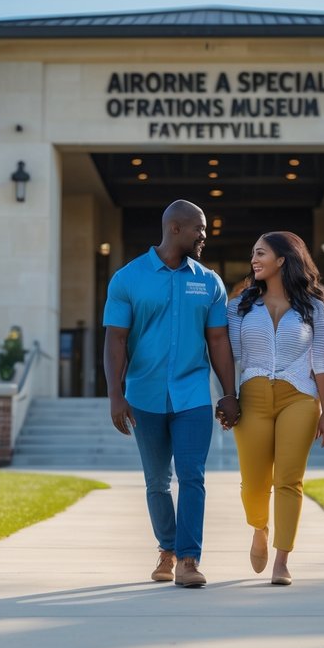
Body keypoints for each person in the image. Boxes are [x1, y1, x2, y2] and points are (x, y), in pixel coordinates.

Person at [103, 200, 240, 588]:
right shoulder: (128, 279)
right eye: (199, 228)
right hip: (144, 395)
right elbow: (116, 339)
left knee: (192, 477)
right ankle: (167, 549)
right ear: (176, 228)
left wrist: (229, 393)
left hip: (193, 394)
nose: (204, 236)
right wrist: (116, 394)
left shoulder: (210, 282)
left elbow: (218, 340)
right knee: (157, 482)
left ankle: (189, 560)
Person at [225, 231, 324, 586]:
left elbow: (323, 360)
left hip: (300, 398)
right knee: (254, 484)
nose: (254, 260)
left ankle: (282, 560)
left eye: (261, 254)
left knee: (288, 480)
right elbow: (228, 356)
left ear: (282, 260)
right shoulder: (239, 306)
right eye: (253, 254)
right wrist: (227, 397)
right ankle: (259, 528)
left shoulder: (315, 308)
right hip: (253, 396)